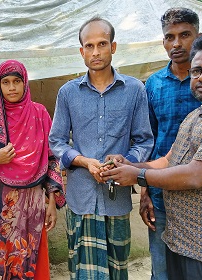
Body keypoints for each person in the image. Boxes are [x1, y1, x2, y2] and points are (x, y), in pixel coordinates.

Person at [101, 33, 202, 280]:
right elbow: (168, 160)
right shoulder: (195, 117)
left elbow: (195, 175)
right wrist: (131, 164)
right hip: (178, 241)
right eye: (197, 71)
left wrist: (138, 176)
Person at [48, 16, 154, 279]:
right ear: (81, 51)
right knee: (82, 269)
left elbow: (145, 140)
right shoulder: (68, 93)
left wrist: (125, 162)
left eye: (102, 44)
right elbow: (56, 141)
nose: (96, 52)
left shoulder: (134, 90)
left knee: (117, 266)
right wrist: (85, 161)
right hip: (81, 197)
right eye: (89, 45)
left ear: (113, 47)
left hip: (116, 199)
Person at [0, 59, 66, 279]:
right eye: (6, 82)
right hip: (0, 203)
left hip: (33, 201)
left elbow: (51, 159)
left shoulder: (39, 113)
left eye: (17, 81)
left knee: (29, 256)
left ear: (25, 83)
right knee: (0, 259)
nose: (12, 87)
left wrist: (51, 202)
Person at [143, 8, 202, 280]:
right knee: (162, 269)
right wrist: (144, 190)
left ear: (198, 36)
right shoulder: (154, 84)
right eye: (170, 37)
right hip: (161, 191)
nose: (176, 43)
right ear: (163, 42)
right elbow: (148, 140)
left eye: (184, 35)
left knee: (200, 268)